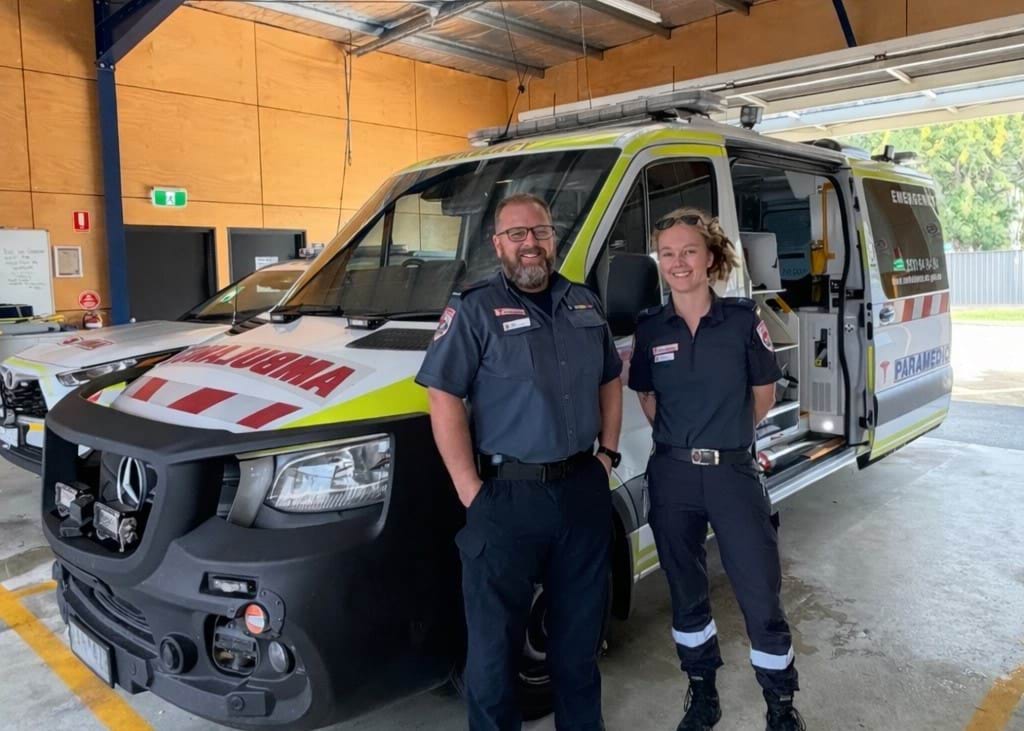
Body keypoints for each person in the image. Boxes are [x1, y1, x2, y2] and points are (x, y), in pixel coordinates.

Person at [416, 193, 623, 731]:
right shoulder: (473, 308)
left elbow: (609, 378)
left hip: (581, 489)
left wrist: (607, 456)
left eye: (541, 232)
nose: (530, 243)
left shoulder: (584, 303)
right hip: (505, 498)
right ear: (498, 245)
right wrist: (469, 489)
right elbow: (442, 396)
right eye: (517, 234)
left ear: (553, 239)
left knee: (577, 648)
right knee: (492, 656)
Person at [627, 208, 804, 731]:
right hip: (673, 476)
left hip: (732, 474)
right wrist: (686, 444)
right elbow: (648, 397)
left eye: (688, 251)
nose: (678, 263)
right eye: (668, 253)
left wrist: (721, 439)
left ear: (710, 257)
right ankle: (702, 691)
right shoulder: (650, 326)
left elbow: (763, 395)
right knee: (685, 590)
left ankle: (779, 705)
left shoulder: (743, 320)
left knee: (758, 588)